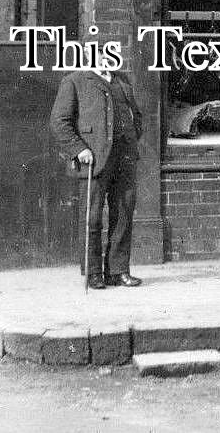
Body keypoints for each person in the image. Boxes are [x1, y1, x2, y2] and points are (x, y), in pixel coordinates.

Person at [51, 66, 143, 289]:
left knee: (123, 214)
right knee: (92, 218)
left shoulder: (122, 80)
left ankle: (118, 271)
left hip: (125, 158)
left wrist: (131, 139)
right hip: (93, 160)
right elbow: (59, 121)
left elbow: (136, 116)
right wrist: (79, 149)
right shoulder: (74, 81)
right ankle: (93, 273)